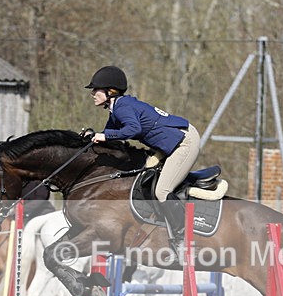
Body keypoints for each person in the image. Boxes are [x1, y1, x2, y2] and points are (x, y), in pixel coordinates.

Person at [85, 65, 200, 254]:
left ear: (110, 91)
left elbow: (133, 129)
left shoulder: (122, 107)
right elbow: (109, 135)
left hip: (183, 142)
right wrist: (91, 137)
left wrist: (104, 136)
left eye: (95, 89)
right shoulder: (116, 108)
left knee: (162, 191)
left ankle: (183, 240)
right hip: (170, 143)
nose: (92, 94)